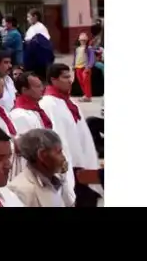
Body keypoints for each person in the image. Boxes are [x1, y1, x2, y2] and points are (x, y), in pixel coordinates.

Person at [40, 63, 102, 208]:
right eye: (65, 77)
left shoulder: (69, 102)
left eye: (70, 76)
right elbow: (57, 136)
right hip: (69, 166)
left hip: (82, 165)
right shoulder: (48, 104)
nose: (70, 80)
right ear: (54, 80)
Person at [9, 128, 74, 207]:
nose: (63, 158)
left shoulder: (59, 180)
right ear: (42, 155)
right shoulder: (20, 189)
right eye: (59, 152)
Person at [73, 33, 95, 102]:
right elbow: (75, 57)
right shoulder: (77, 49)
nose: (83, 41)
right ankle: (85, 95)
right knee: (81, 82)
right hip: (78, 67)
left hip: (85, 67)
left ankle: (88, 96)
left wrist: (89, 66)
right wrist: (74, 65)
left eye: (84, 40)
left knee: (86, 81)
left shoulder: (89, 48)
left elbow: (92, 58)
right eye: (81, 40)